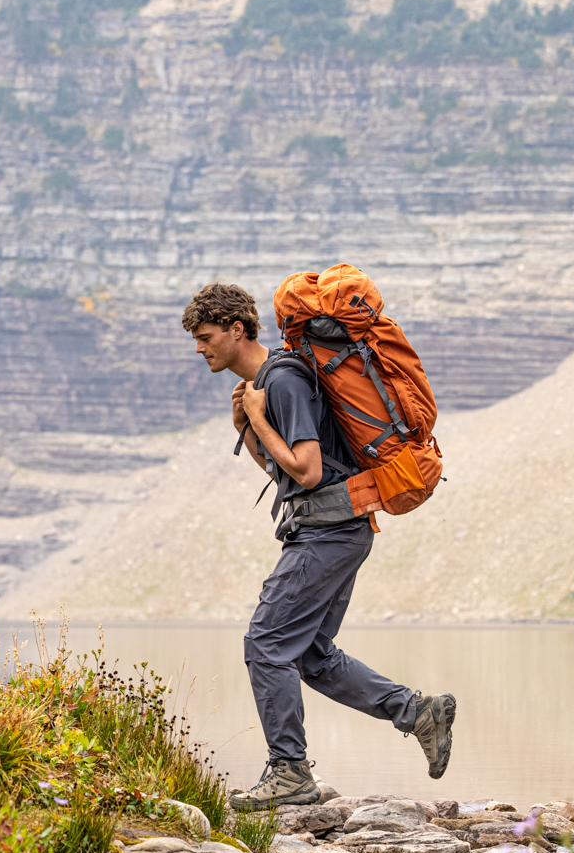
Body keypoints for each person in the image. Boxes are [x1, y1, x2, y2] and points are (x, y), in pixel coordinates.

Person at [182, 282, 455, 809]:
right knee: (308, 654)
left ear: (237, 329)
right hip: (336, 527)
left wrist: (258, 418)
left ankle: (289, 772)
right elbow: (286, 471)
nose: (199, 347)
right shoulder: (271, 382)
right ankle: (418, 712)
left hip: (328, 531)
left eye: (206, 336)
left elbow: (306, 471)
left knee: (266, 644)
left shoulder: (281, 380)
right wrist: (249, 428)